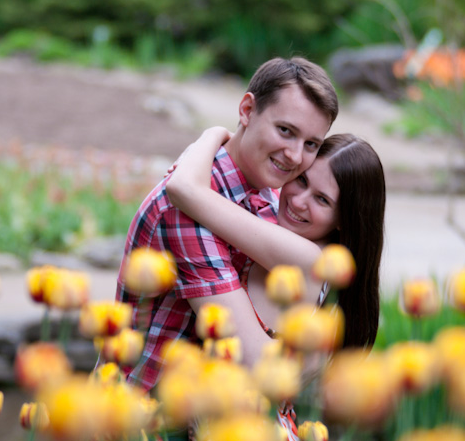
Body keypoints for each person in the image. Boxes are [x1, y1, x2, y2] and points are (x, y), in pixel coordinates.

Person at [115, 57, 338, 392]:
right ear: (247, 110)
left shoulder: (271, 195)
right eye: (285, 131)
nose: (294, 156)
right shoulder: (188, 207)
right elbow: (258, 364)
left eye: (311, 144)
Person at [166, 127, 385, 441]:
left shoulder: (308, 259)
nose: (298, 201)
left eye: (322, 200)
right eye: (302, 180)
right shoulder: (298, 243)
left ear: (343, 219)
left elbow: (185, 189)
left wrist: (213, 134)